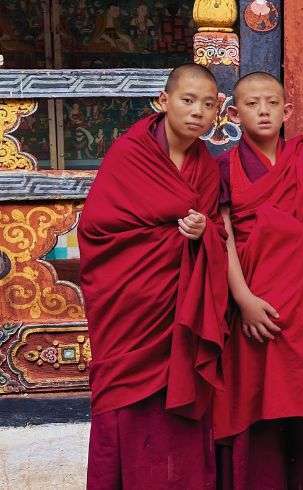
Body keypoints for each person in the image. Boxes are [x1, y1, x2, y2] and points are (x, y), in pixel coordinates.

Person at [79, 63, 226, 489]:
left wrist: (203, 233)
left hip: (181, 309)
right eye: (187, 100)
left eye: (207, 104)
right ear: (163, 102)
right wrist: (168, 238)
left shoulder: (207, 165)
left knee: (180, 405)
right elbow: (97, 229)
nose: (197, 112)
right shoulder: (130, 154)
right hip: (132, 305)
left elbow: (213, 227)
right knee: (126, 400)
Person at [211, 72, 303, 489]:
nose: (263, 111)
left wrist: (297, 249)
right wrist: (243, 298)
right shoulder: (224, 166)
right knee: (252, 390)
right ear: (233, 114)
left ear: (286, 110)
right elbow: (224, 237)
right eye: (251, 104)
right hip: (251, 300)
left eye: (271, 102)